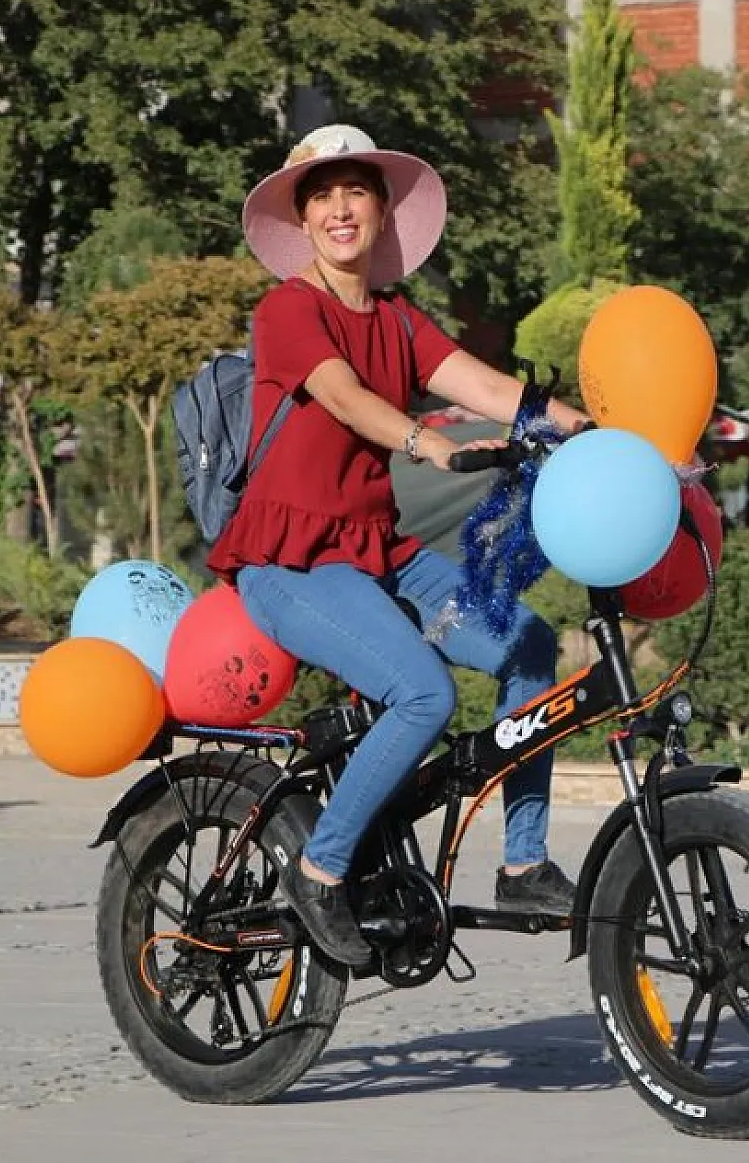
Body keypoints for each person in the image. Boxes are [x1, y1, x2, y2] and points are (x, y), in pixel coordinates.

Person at [208, 124, 590, 966]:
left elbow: (491, 388)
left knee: (528, 644)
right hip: (290, 564)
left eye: (356, 192)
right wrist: (430, 444)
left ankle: (523, 863)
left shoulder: (397, 321)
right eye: (321, 195)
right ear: (303, 220)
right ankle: (321, 867)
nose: (340, 208)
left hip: (380, 554)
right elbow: (343, 398)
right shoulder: (287, 311)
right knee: (424, 694)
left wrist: (599, 434)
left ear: (381, 213)